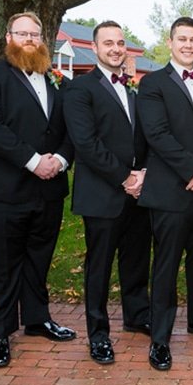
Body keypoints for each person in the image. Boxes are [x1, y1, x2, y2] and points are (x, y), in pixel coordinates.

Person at [0, 12, 75, 368]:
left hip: (48, 189)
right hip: (3, 189)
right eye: (22, 33)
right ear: (8, 37)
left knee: (39, 257)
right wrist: (32, 161)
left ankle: (37, 318)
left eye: (35, 34)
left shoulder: (56, 81)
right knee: (2, 262)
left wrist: (59, 159)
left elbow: (69, 130)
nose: (29, 39)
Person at [62, 21, 151, 364]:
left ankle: (137, 314)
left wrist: (142, 175)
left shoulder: (131, 88)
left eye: (120, 43)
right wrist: (124, 177)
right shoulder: (80, 89)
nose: (115, 48)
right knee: (99, 266)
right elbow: (86, 143)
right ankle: (98, 334)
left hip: (138, 191)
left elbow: (139, 137)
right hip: (103, 192)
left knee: (136, 258)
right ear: (95, 48)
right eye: (108, 43)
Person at [136, 17, 193, 370]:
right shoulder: (153, 84)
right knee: (166, 265)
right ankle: (160, 338)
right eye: (182, 39)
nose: (189, 45)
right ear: (170, 43)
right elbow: (157, 135)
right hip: (171, 189)